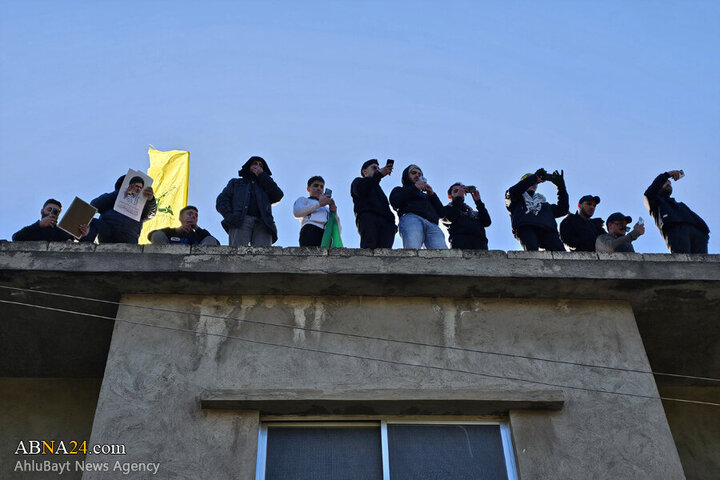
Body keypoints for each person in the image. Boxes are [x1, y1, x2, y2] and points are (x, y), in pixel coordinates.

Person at [216, 156, 284, 247]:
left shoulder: (266, 185)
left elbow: (278, 195)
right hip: (240, 221)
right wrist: (229, 216)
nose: (258, 166)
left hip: (263, 222)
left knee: (263, 256)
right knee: (237, 255)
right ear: (248, 166)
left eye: (261, 165)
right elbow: (222, 199)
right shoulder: (235, 183)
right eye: (255, 163)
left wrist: (262, 175)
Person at [644, 170, 709, 254]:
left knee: (702, 265)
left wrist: (704, 231)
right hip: (676, 232)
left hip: (698, 234)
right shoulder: (655, 203)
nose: (668, 184)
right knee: (683, 263)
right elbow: (648, 194)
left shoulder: (681, 205)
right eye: (665, 182)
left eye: (669, 183)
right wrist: (667, 175)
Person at [505, 169, 568, 251]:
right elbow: (514, 191)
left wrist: (561, 188)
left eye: (535, 182)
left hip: (547, 230)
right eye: (529, 180)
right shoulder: (514, 199)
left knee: (560, 253)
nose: (533, 183)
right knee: (532, 252)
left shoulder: (544, 204)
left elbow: (563, 209)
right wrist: (535, 177)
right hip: (526, 227)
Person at [389, 164, 447, 249]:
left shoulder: (427, 196)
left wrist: (432, 195)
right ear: (406, 176)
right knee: (413, 249)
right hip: (411, 218)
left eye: (420, 174)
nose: (417, 175)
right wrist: (415, 187)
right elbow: (395, 202)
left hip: (432, 224)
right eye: (413, 173)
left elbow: (442, 213)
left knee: (442, 253)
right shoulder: (399, 190)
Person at [88, 175, 156, 243]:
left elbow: (150, 215)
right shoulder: (112, 197)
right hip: (108, 230)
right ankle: (86, 246)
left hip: (130, 234)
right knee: (90, 222)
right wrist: (120, 193)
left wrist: (150, 200)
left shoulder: (142, 203)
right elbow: (94, 205)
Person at [350, 159, 397, 248]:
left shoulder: (379, 189)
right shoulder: (358, 181)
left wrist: (392, 225)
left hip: (386, 224)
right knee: (368, 250)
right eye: (374, 167)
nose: (378, 170)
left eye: (378, 168)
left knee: (385, 254)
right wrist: (379, 175)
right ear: (364, 171)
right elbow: (361, 191)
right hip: (369, 219)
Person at [12, 198, 89, 242]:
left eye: (56, 212)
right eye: (49, 210)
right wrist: (40, 224)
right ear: (42, 211)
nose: (52, 213)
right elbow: (16, 237)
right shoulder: (33, 229)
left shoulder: (61, 231)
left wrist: (83, 235)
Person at [441, 183, 491, 249]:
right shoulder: (446, 209)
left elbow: (487, 222)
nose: (460, 192)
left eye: (462, 191)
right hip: (460, 248)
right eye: (456, 191)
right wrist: (459, 198)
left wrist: (478, 202)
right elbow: (452, 217)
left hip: (481, 247)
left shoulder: (473, 213)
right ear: (450, 196)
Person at [293, 176, 339, 247]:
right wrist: (319, 204)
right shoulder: (303, 200)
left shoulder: (326, 209)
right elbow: (297, 212)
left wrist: (334, 213)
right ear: (308, 189)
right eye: (315, 185)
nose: (319, 188)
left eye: (321, 187)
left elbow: (337, 229)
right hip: (310, 230)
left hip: (326, 234)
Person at [147, 205, 219, 246]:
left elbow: (215, 243)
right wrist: (176, 230)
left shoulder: (200, 236)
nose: (193, 216)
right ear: (180, 218)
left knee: (210, 239)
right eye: (190, 214)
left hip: (195, 264)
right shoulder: (172, 233)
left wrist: (197, 229)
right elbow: (152, 236)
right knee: (158, 235)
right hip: (169, 261)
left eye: (196, 216)